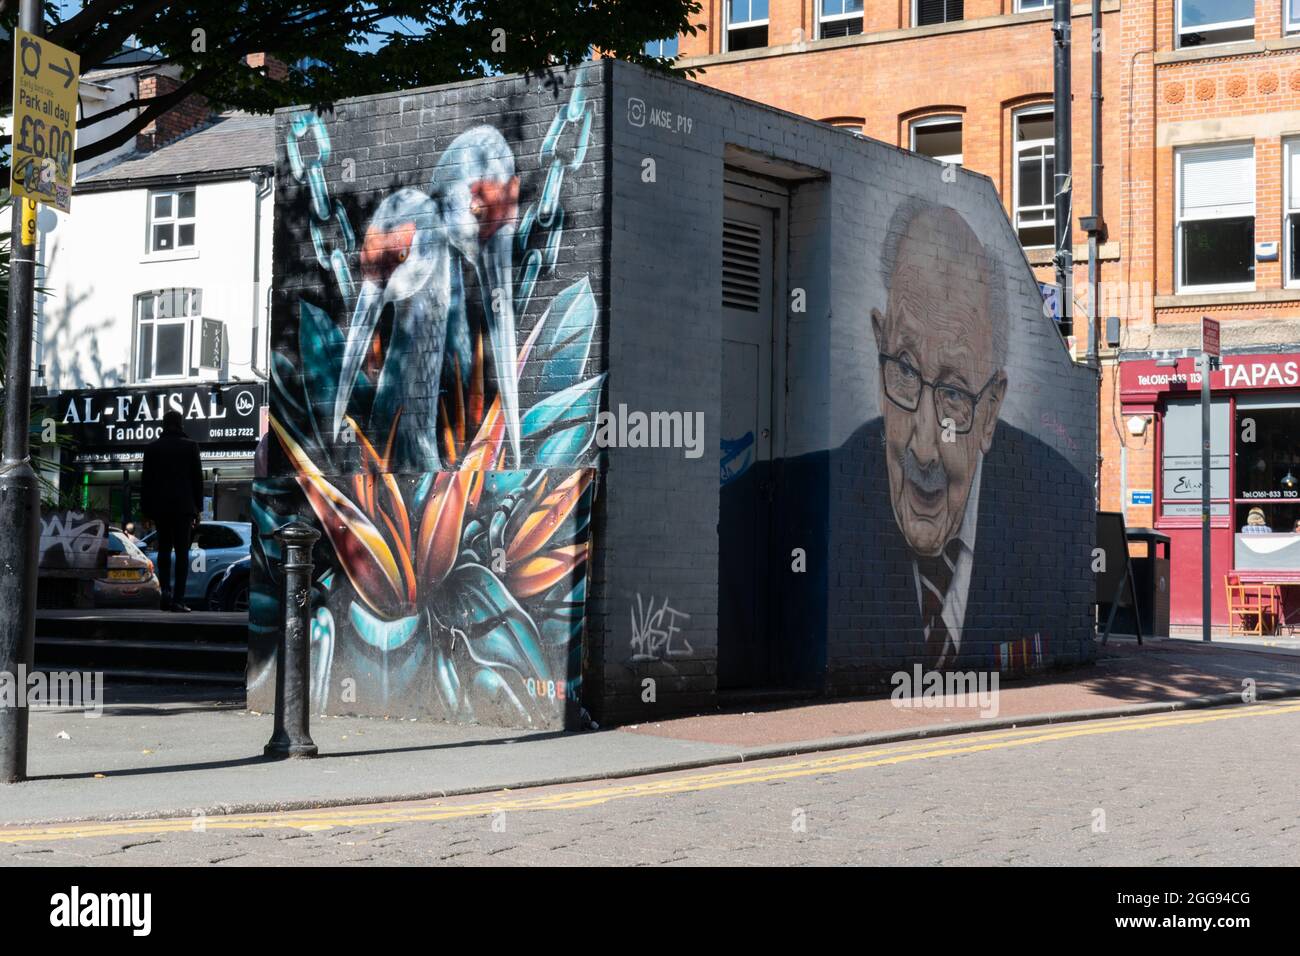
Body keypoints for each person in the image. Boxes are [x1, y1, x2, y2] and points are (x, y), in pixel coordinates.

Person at [825, 198, 1090, 669]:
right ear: (878, 349)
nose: (924, 448)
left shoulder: (1062, 514)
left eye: (953, 393)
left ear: (990, 410)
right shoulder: (825, 505)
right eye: (904, 370)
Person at [141, 410, 204, 612]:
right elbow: (197, 480)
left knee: (164, 550)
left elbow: (146, 482)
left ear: (163, 424)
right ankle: (178, 599)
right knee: (182, 553)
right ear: (181, 424)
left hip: (161, 508)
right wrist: (198, 509)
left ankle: (165, 594)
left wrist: (146, 511)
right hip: (184, 508)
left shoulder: (152, 449)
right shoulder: (191, 447)